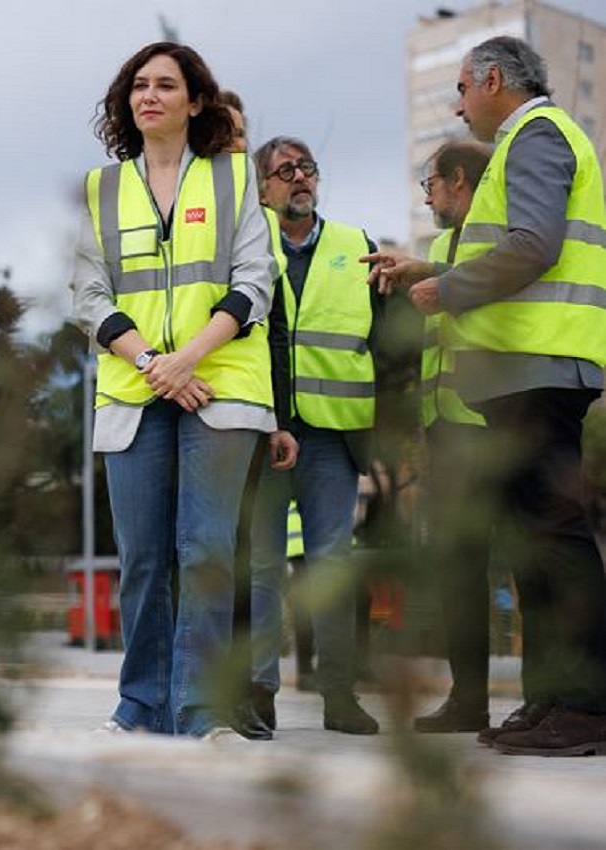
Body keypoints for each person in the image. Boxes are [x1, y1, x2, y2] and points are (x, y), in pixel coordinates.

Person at [385, 36, 606, 756]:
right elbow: (507, 246)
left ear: (490, 78)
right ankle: (551, 699)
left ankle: (586, 705)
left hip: (542, 362)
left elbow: (533, 244)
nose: (456, 102)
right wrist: (434, 269)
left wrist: (446, 290)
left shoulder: (537, 135)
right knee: (536, 541)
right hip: (522, 369)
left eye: (459, 86)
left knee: (555, 534)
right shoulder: (525, 143)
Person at [70, 43, 279, 738]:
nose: (148, 95)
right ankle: (142, 705)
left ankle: (199, 710)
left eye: (166, 84)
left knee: (207, 554)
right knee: (143, 559)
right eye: (138, 85)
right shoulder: (103, 189)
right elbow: (88, 293)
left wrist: (188, 359)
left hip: (220, 387)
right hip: (134, 391)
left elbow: (256, 281)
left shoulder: (235, 178)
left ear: (196, 101)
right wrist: (154, 361)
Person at [247, 135, 384, 735]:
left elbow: (387, 338)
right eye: (285, 171)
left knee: (331, 566)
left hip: (334, 434)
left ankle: (339, 696)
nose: (299, 178)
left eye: (307, 168)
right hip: (265, 432)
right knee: (262, 567)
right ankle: (259, 693)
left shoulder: (358, 247)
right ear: (263, 189)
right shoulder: (249, 251)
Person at [365, 139, 494, 732]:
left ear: (459, 181)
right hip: (447, 425)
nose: (427, 194)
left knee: (527, 557)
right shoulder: (444, 244)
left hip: (494, 421)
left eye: (431, 182)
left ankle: (561, 696)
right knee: (459, 567)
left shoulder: (499, 236)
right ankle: (470, 699)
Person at [220, 89, 298, 739]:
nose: (239, 143)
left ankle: (244, 691)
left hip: (241, 407)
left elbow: (275, 329)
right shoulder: (166, 201)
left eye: (245, 132)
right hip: (171, 397)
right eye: (228, 131)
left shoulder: (256, 215)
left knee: (241, 557)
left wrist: (279, 415)